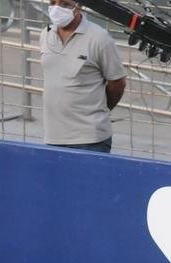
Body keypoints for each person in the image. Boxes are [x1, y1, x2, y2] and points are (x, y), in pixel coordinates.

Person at [40, 0, 127, 153]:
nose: (56, 8)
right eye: (53, 2)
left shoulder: (99, 38)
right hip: (53, 137)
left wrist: (100, 111)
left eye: (65, 4)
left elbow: (117, 83)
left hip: (90, 140)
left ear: (78, 6)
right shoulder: (45, 35)